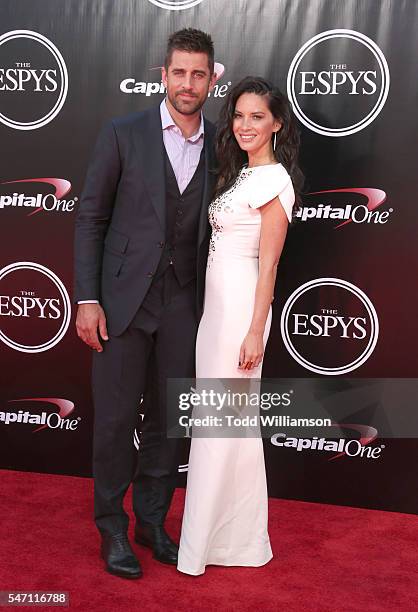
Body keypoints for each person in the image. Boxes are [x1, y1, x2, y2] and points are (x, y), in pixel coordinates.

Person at [73, 28, 218, 579]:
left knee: (168, 421)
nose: (188, 83)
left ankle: (152, 522)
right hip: (121, 302)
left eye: (198, 73)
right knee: (113, 422)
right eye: (178, 72)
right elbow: (91, 218)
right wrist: (88, 298)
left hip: (185, 303)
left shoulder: (221, 143)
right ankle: (112, 527)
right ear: (163, 75)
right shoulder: (123, 132)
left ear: (211, 78)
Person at [177, 77, 303, 575]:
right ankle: (227, 541)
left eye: (257, 116)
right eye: (239, 116)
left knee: (222, 427)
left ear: (276, 124)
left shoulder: (275, 180)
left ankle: (214, 544)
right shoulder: (241, 176)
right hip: (217, 313)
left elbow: (270, 264)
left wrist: (255, 330)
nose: (246, 125)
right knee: (223, 427)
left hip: (241, 316)